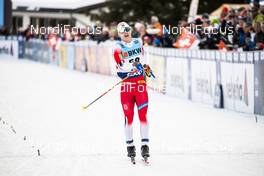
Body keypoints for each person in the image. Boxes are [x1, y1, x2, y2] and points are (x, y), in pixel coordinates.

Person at [113, 22, 153, 162]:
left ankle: (145, 145)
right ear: (119, 34)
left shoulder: (138, 41)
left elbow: (144, 61)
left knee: (143, 115)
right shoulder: (117, 47)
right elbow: (118, 69)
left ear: (130, 31)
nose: (125, 32)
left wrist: (146, 70)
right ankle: (130, 146)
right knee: (129, 117)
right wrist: (129, 71)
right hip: (127, 87)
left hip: (140, 85)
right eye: (122, 31)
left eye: (127, 29)